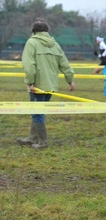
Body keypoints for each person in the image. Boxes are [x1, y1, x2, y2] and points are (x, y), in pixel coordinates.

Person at [18, 18, 75, 149]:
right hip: (51, 85)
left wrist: (31, 82)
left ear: (34, 31)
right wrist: (70, 80)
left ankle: (42, 142)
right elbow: (65, 64)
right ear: (47, 30)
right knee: (38, 110)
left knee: (37, 112)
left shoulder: (31, 42)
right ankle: (32, 138)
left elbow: (29, 65)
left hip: (37, 85)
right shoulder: (55, 44)